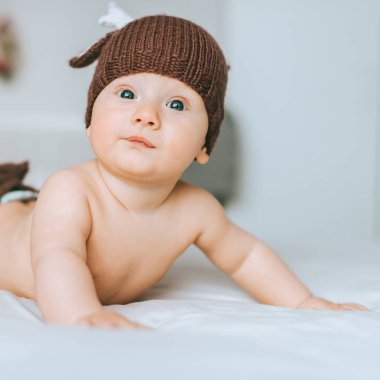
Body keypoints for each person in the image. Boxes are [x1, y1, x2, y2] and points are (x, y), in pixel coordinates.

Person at [0, 14, 367, 329]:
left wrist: (304, 302)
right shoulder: (70, 190)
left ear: (204, 146)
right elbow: (56, 257)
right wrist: (81, 314)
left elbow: (246, 256)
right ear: (90, 122)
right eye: (127, 95)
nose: (146, 116)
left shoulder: (195, 210)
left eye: (176, 104)